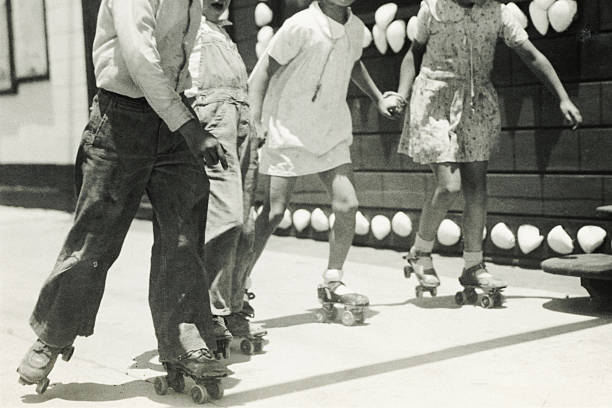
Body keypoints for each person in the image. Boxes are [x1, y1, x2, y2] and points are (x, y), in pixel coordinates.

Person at [17, 0, 230, 394]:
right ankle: (53, 334)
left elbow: (181, 60)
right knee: (94, 240)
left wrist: (192, 116)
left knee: (183, 239)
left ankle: (185, 341)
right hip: (121, 119)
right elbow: (140, 57)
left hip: (174, 118)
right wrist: (190, 128)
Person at [385, 0, 582, 296]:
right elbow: (414, 53)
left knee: (477, 188)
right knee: (450, 185)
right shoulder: (432, 8)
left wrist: (563, 97)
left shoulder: (498, 12)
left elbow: (531, 54)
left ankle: (474, 266)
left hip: (476, 103)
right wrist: (401, 94)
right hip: (434, 100)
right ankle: (420, 252)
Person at [246, 0, 397, 324]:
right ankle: (237, 283)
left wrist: (378, 97)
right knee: (274, 212)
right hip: (287, 127)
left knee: (347, 204)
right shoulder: (299, 25)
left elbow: (353, 62)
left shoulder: (356, 28)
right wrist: (255, 118)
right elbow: (263, 73)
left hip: (330, 130)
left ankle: (333, 279)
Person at [186, 0, 267, 351]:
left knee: (246, 227)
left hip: (242, 124)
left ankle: (233, 306)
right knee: (226, 219)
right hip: (214, 124)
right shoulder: (190, 30)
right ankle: (209, 311)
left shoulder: (223, 33)